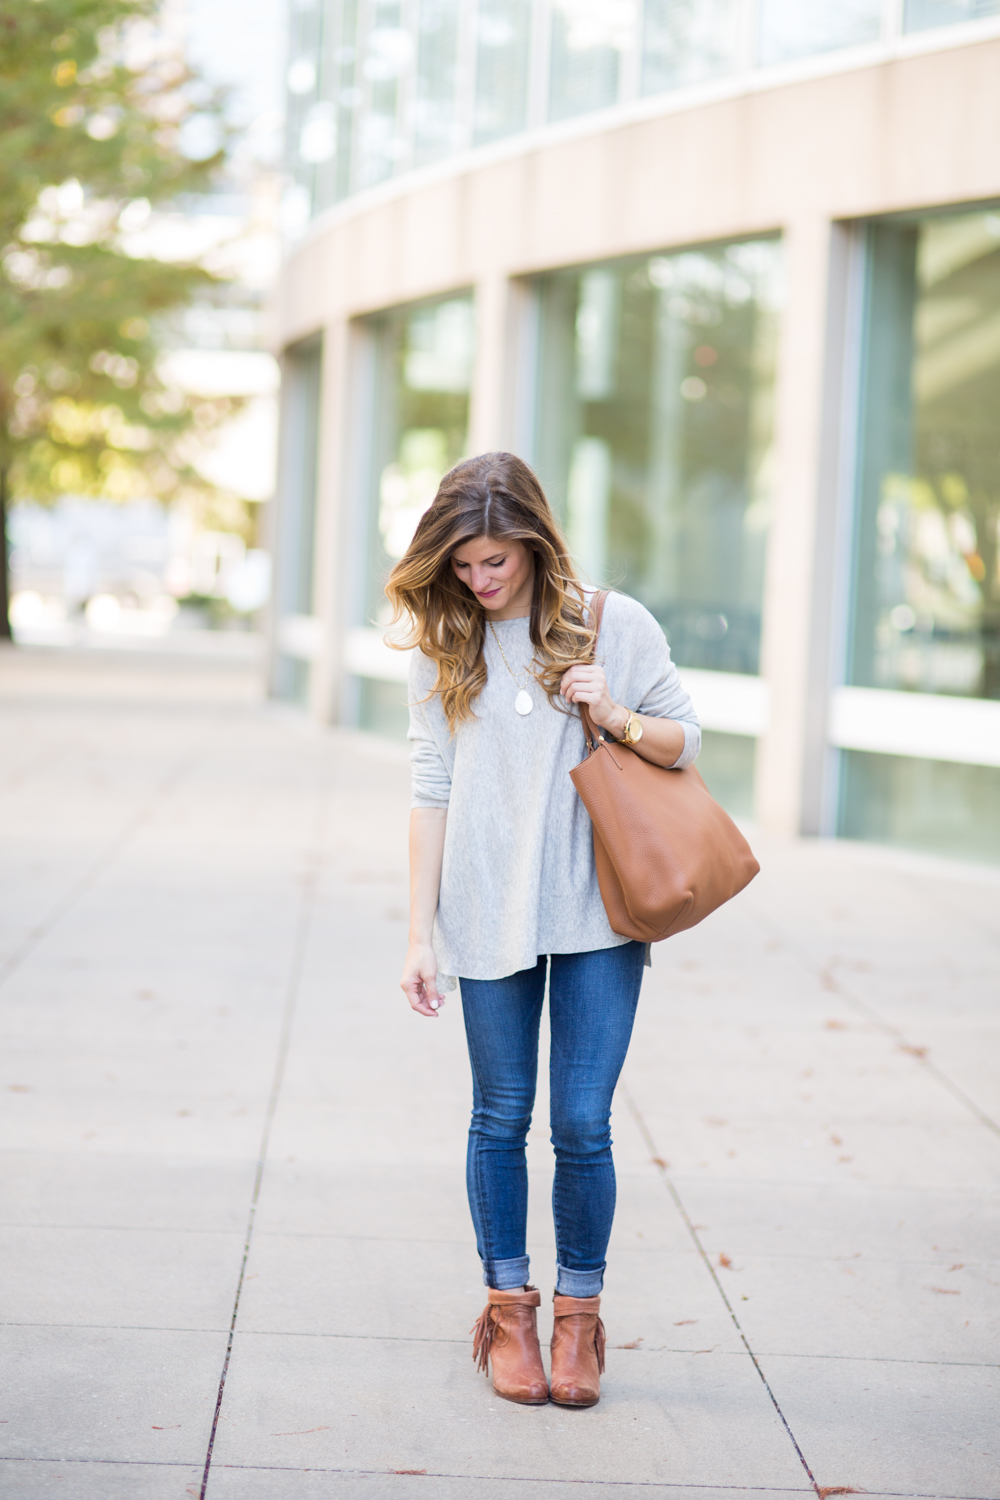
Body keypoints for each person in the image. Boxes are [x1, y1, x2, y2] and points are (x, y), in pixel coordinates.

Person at [386, 452, 700, 1408]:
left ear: (532, 541)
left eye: (496, 562)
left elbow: (686, 740)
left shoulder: (613, 623)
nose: (480, 582)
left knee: (582, 1123)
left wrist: (613, 710)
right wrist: (416, 935)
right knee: (499, 1116)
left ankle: (580, 1320)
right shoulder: (448, 642)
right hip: (485, 909)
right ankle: (508, 1312)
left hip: (597, 909)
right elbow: (430, 788)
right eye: (463, 567)